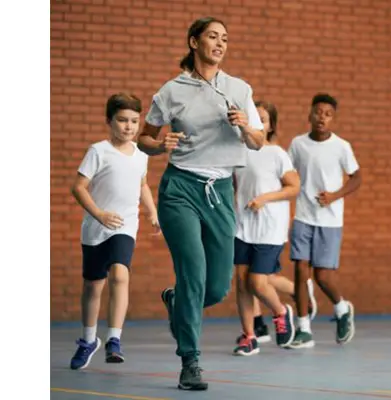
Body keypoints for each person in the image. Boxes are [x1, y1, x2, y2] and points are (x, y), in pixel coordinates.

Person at [137, 17, 265, 391]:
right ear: (194, 42)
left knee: (216, 289)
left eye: (225, 38)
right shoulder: (172, 90)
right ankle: (190, 361)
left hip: (221, 190)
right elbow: (145, 137)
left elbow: (258, 141)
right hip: (180, 189)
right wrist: (160, 146)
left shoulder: (240, 89)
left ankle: (175, 301)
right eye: (213, 36)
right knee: (193, 274)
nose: (220, 43)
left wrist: (244, 126)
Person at [69, 93, 159, 370]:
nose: (129, 126)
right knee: (93, 286)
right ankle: (88, 340)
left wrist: (152, 210)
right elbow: (79, 187)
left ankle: (114, 339)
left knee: (119, 273)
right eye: (122, 120)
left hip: (125, 224)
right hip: (96, 226)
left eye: (134, 121)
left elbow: (142, 183)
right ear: (109, 121)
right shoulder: (98, 151)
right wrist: (99, 214)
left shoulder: (141, 154)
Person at [233, 102, 318, 347]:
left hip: (269, 229)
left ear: (270, 126)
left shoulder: (277, 154)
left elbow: (294, 187)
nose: (258, 122)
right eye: (254, 118)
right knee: (241, 282)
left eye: (263, 119)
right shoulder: (238, 152)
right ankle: (249, 336)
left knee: (258, 282)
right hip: (242, 227)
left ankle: (281, 312)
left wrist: (264, 199)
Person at [287, 93, 362, 349]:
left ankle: (342, 309)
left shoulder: (341, 147)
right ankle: (303, 329)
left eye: (328, 114)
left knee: (323, 277)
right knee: (299, 271)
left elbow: (356, 178)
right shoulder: (297, 144)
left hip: (329, 220)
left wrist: (334, 196)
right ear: (310, 115)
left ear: (333, 119)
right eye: (318, 112)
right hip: (303, 216)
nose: (322, 117)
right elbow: (287, 174)